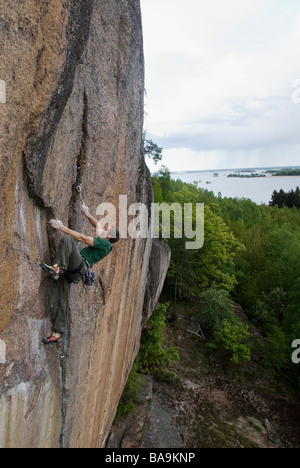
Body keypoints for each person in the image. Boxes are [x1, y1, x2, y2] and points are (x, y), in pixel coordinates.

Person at [40, 204, 120, 345]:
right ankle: (58, 332)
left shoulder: (105, 244)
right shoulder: (106, 243)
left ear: (108, 235)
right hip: (74, 273)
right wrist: (87, 213)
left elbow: (82, 238)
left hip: (78, 266)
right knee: (57, 297)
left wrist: (62, 227)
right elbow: (98, 226)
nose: (104, 228)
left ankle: (57, 268)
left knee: (68, 240)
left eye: (107, 229)